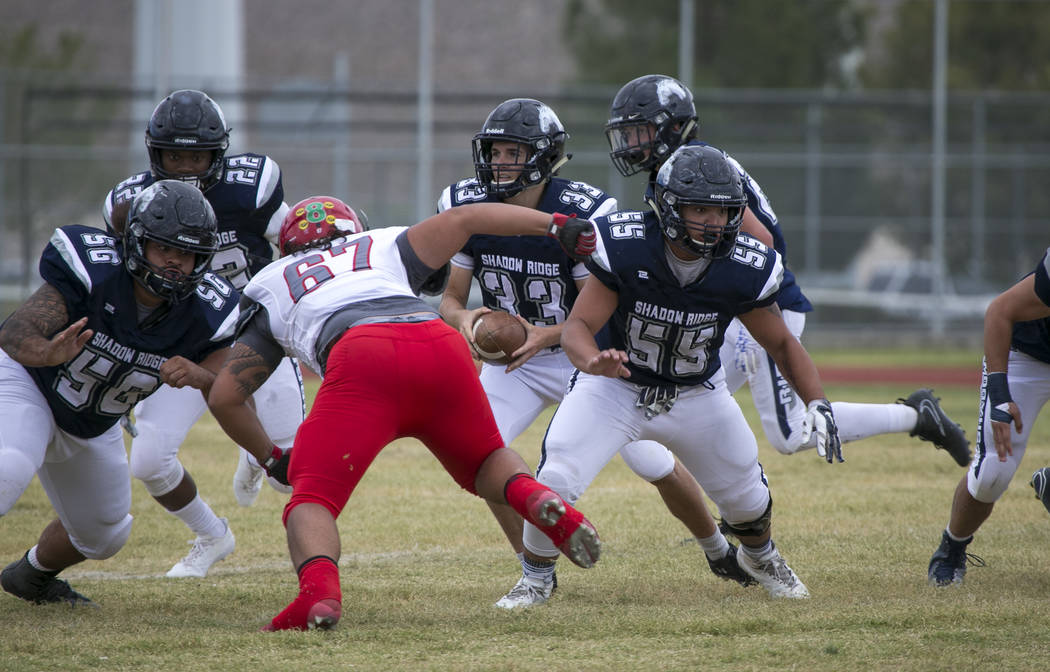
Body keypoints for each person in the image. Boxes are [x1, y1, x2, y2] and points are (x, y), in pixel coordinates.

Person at [206, 194, 604, 631]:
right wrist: (556, 224)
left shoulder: (271, 280)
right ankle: (538, 497)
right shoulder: (380, 243)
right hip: (436, 341)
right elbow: (467, 217)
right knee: (486, 459)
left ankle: (317, 597)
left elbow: (226, 396)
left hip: (361, 355)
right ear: (353, 229)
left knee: (312, 498)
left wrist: (270, 458)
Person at [495, 143, 843, 606]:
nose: (713, 222)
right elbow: (579, 325)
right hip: (614, 388)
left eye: (722, 211)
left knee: (748, 500)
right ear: (666, 205)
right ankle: (534, 580)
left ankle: (759, 557)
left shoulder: (742, 265)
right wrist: (590, 362)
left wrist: (816, 400)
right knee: (557, 477)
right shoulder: (624, 245)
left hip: (696, 391)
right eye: (699, 209)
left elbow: (780, 342)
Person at [438, 98, 752, 609]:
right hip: (514, 361)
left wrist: (546, 334)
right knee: (480, 454)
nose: (499, 163)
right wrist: (469, 321)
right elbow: (451, 299)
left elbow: (600, 312)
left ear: (543, 156)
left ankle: (718, 549)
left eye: (512, 152)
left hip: (587, 355)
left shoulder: (585, 214)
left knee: (652, 461)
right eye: (494, 151)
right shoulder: (466, 202)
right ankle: (533, 568)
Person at [604, 74, 970, 467]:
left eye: (639, 131)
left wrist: (737, 322)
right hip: (731, 305)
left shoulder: (699, 168)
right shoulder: (680, 166)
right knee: (677, 405)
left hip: (755, 305)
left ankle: (916, 415)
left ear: (673, 127)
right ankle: (730, 510)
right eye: (627, 134)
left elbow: (763, 243)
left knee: (790, 431)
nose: (631, 144)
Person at [0, 180, 238, 607]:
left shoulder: (206, 309)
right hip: (30, 384)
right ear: (136, 242)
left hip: (93, 421)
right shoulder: (97, 270)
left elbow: (233, 387)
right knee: (9, 468)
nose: (174, 264)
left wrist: (201, 377)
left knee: (105, 533)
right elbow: (15, 331)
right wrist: (46, 351)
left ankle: (31, 576)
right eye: (164, 249)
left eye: (186, 255)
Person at [101, 89, 305, 578]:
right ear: (156, 154)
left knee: (290, 477)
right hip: (183, 340)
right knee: (149, 461)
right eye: (176, 155)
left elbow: (296, 242)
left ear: (219, 153)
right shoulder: (131, 204)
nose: (187, 167)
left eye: (197, 156)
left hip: (258, 335)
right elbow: (114, 282)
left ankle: (253, 452)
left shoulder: (250, 189)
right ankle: (212, 535)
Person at [927, 248, 1050, 586]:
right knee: (993, 473)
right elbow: (999, 311)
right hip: (1026, 355)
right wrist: (1000, 396)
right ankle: (952, 547)